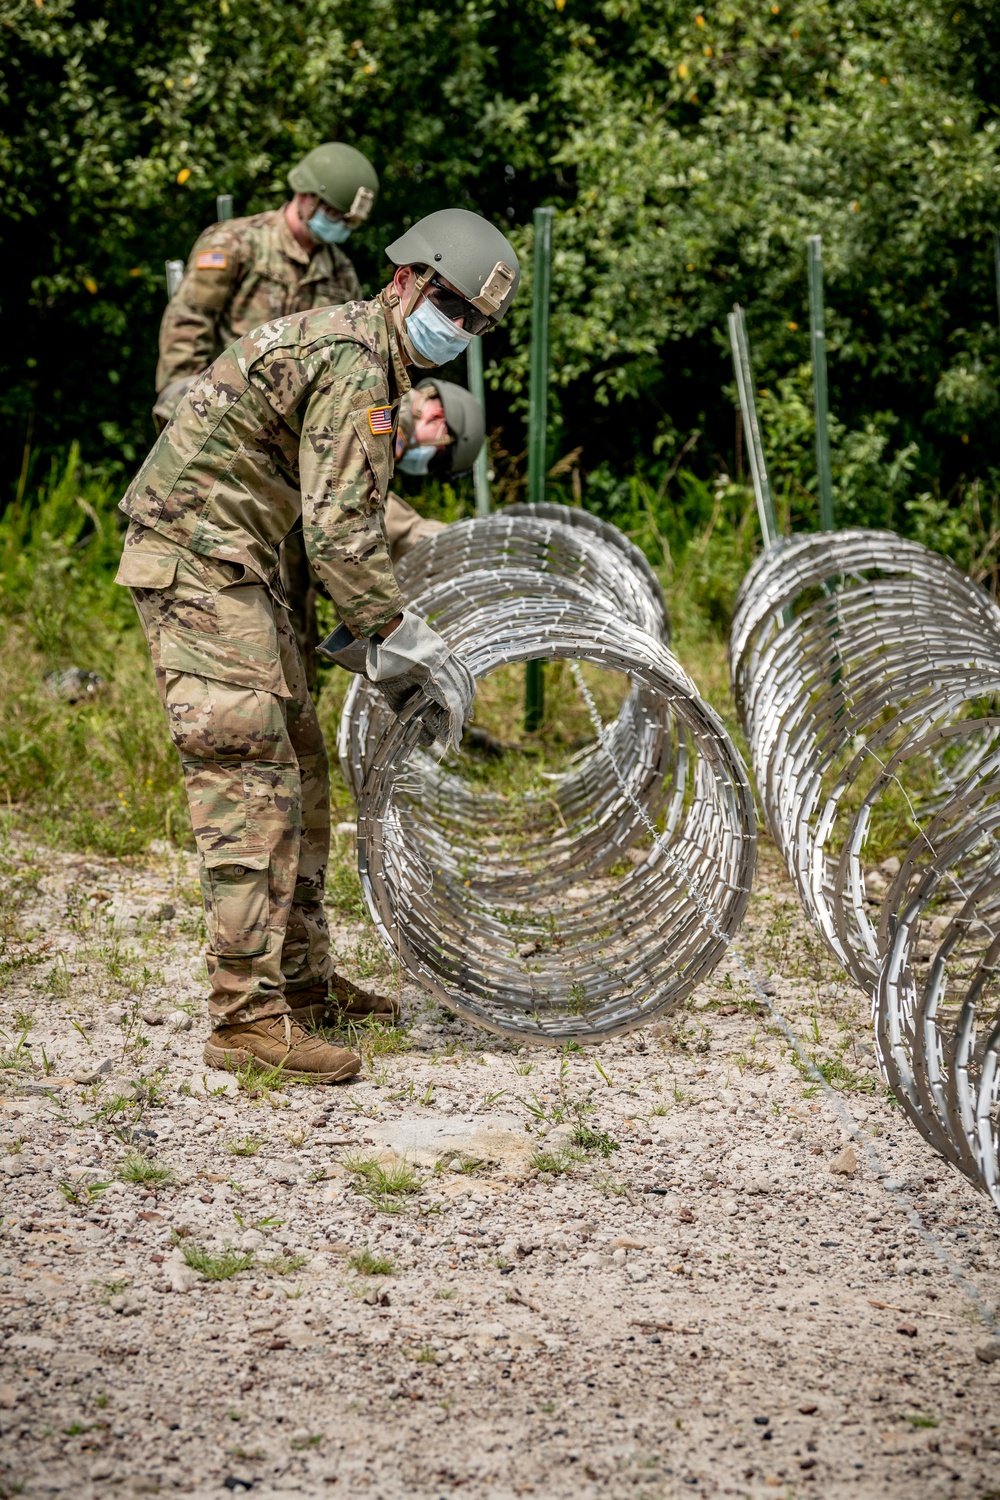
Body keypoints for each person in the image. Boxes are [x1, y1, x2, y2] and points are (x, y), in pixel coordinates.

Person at [116, 209, 520, 1083]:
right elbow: (340, 535)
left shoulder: (366, 355)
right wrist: (399, 637)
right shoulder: (354, 362)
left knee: (300, 765)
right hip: (200, 561)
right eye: (451, 304)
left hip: (242, 565)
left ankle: (301, 983)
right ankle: (245, 1016)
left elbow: (330, 523)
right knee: (250, 774)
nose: (457, 329)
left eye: (476, 323)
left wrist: (374, 639)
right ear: (409, 278)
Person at [153, 141, 379, 429]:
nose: (342, 227)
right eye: (335, 214)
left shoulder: (341, 272)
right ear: (306, 195)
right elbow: (189, 321)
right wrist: (186, 402)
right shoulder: (237, 242)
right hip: (217, 409)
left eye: (350, 222)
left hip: (287, 432)